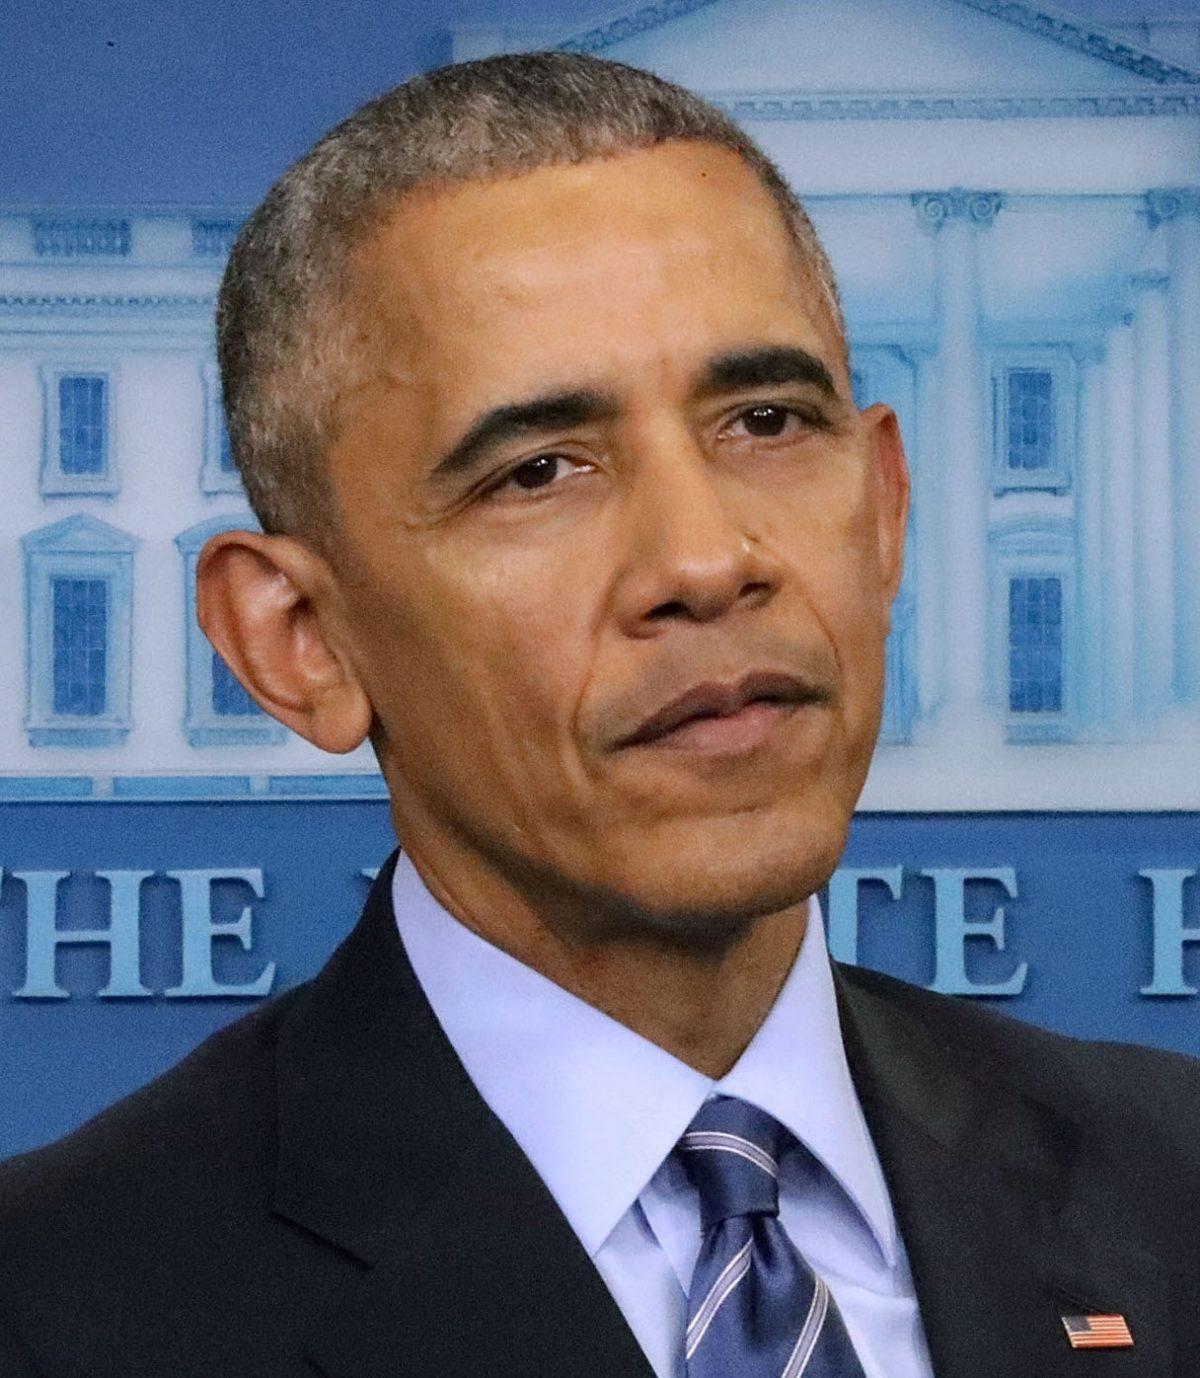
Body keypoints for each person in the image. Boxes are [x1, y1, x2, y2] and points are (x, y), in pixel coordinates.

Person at [1, 51, 1198, 1378]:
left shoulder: (1177, 1187)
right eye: (539, 471)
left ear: (885, 511)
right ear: (301, 643)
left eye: (763, 418)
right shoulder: (59, 1305)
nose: (704, 559)